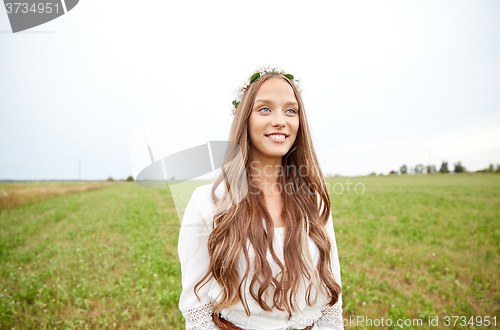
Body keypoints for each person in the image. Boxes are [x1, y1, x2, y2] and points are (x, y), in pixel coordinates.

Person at [178, 67, 344, 330]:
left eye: (291, 110)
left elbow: (332, 297)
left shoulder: (314, 200)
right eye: (265, 109)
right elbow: (195, 306)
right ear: (245, 119)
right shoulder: (209, 201)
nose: (280, 120)